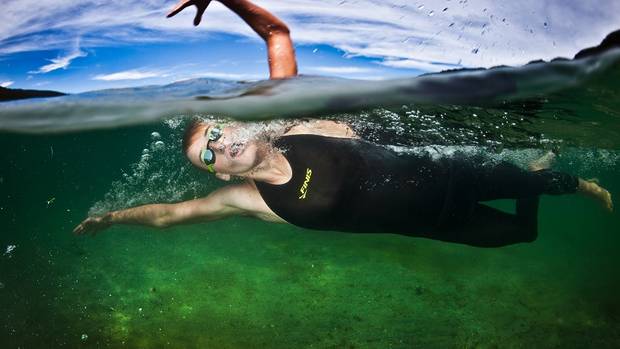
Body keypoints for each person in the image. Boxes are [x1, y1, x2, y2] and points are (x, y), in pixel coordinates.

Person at [73, 0, 613, 247]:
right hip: (437, 226)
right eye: (207, 157)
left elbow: (277, 37)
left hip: (456, 174)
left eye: (215, 134)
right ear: (218, 175)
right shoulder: (249, 199)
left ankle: (565, 177)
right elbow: (172, 214)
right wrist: (114, 218)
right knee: (522, 233)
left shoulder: (294, 122)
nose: (218, 148)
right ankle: (541, 173)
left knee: (547, 181)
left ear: (238, 124)